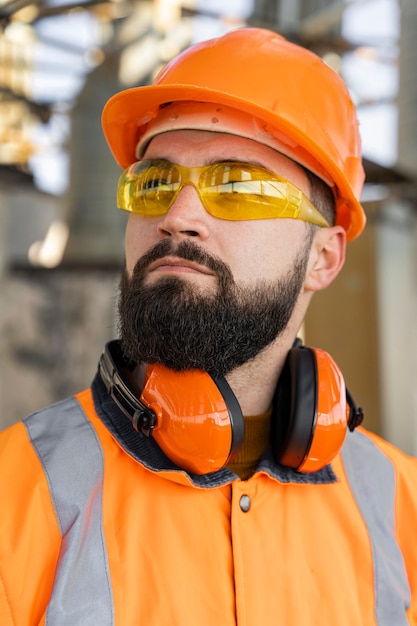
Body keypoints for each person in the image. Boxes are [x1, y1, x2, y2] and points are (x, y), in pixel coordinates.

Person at [1, 27, 416, 626]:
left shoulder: (399, 501)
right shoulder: (16, 494)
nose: (177, 216)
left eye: (239, 186)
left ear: (323, 258)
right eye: (155, 183)